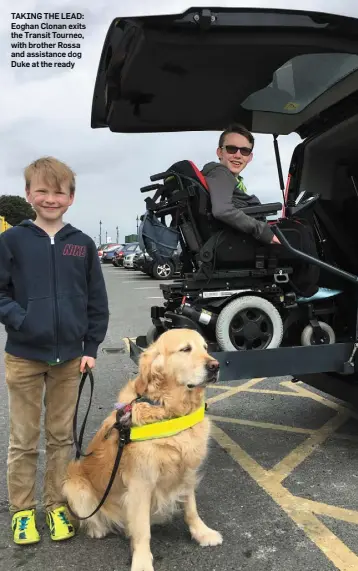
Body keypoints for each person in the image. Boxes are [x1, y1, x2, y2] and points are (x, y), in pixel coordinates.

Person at [0, 157, 109, 545]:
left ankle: (55, 505)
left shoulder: (81, 243)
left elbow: (96, 301)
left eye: (58, 191)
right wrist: (21, 319)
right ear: (29, 194)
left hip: (69, 360)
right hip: (24, 357)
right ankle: (23, 510)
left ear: (71, 197)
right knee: (24, 440)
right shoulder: (11, 240)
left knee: (61, 437)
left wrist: (91, 345)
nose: (50, 198)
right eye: (42, 191)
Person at [201, 124, 280, 244]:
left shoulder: (233, 181)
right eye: (231, 149)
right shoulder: (220, 173)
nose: (238, 155)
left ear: (250, 157)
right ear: (219, 152)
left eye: (244, 151)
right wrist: (262, 230)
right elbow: (222, 210)